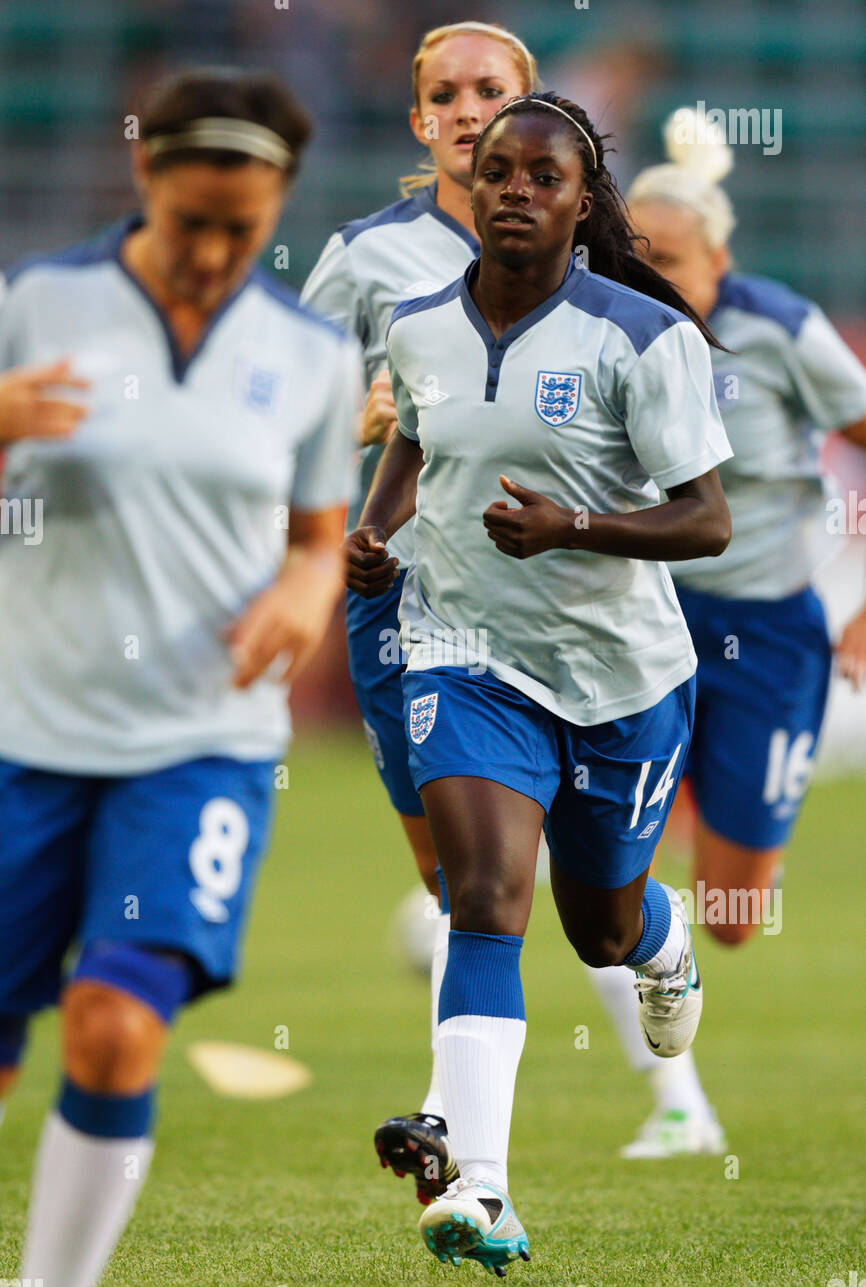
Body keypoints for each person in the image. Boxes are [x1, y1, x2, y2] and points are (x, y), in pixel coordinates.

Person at [345, 92, 733, 1274]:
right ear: (471, 190)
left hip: (620, 678)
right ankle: (483, 1187)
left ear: (580, 203)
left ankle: (663, 945)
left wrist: (573, 525)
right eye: (498, 171)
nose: (515, 189)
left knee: (598, 927)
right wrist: (374, 529)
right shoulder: (417, 325)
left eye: (544, 177)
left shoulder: (639, 338)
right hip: (464, 655)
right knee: (484, 895)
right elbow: (417, 432)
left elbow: (706, 522)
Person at [0, 68, 359, 1287]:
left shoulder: (307, 354)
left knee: (114, 1020)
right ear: (143, 178)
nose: (211, 250)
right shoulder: (39, 302)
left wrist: (308, 594)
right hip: (25, 734)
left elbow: (320, 534)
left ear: (277, 209)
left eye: (241, 229)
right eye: (190, 218)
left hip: (199, 739)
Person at [582, 107, 866, 1160]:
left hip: (769, 629)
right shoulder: (602, 331)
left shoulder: (779, 329)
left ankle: (697, 885)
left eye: (672, 259)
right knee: (606, 863)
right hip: (642, 622)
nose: (652, 273)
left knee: (735, 910)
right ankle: (677, 1104)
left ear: (720, 256)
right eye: (635, 256)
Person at [301, 20, 538, 1206]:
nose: (462, 107)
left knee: (536, 887)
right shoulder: (364, 258)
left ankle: (464, 1134)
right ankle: (466, 1145)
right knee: (461, 887)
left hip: (534, 605)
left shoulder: (588, 256)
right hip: (399, 596)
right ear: (416, 121)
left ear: (526, 109)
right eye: (440, 94)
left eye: (486, 90)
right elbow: (286, 415)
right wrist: (357, 418)